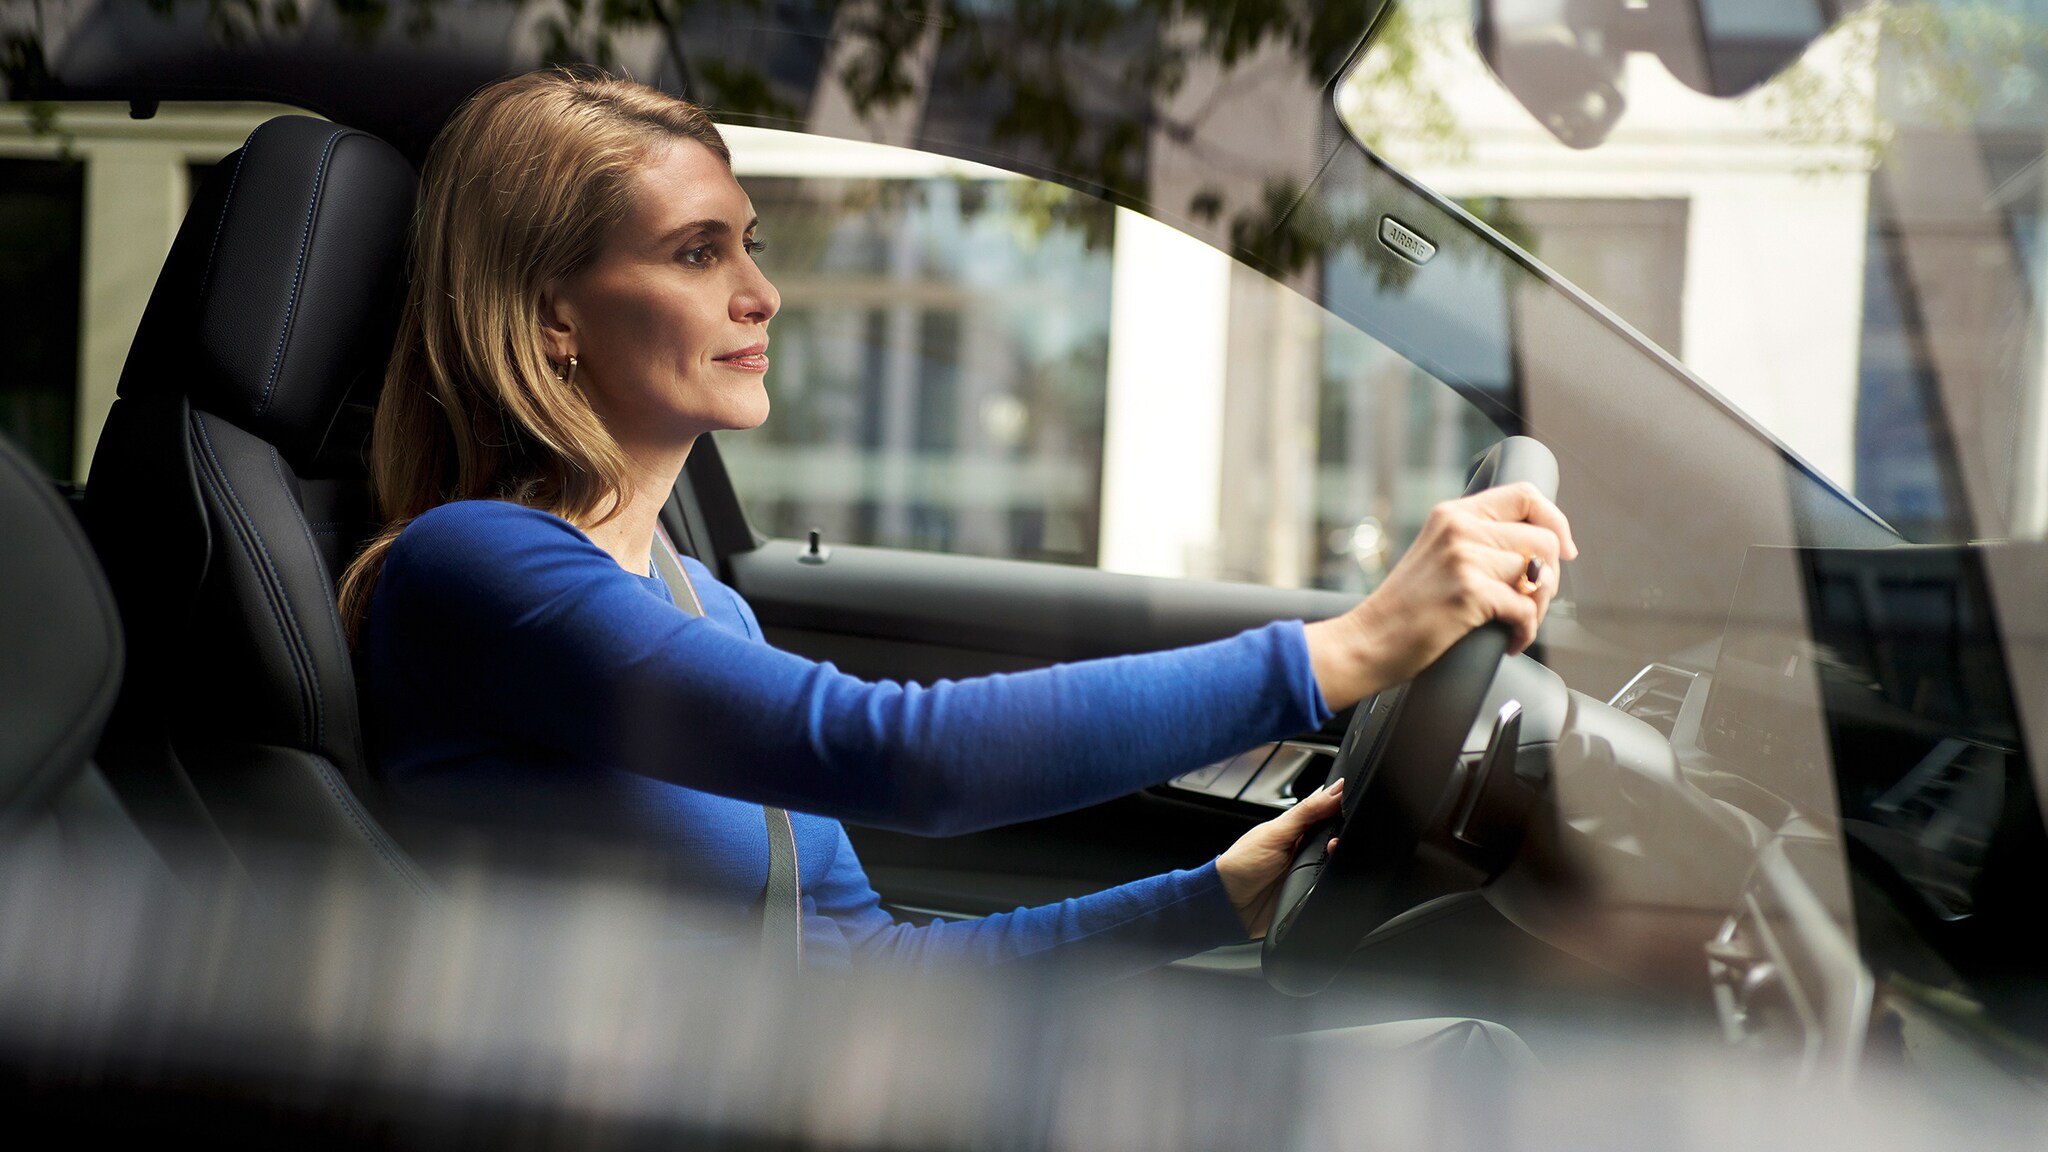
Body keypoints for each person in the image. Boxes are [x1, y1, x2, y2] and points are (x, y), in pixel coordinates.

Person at [340, 69, 1577, 976]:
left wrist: (1214, 896)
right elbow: (903, 759)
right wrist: (1351, 648)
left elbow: (860, 962)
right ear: (552, 314)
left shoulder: (698, 601)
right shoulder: (474, 568)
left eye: (749, 246)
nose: (762, 292)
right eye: (696, 252)